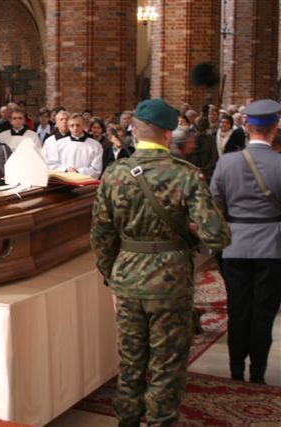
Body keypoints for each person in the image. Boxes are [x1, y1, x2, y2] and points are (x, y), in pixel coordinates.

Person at [91, 98, 231, 426]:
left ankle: (127, 420)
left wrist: (113, 278)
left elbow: (100, 235)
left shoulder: (114, 173)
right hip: (171, 282)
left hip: (127, 278)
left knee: (130, 363)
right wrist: (189, 229)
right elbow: (217, 236)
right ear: (168, 134)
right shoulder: (185, 174)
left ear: (135, 131)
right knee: (167, 365)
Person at [210, 99, 281, 385]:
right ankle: (258, 371)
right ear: (274, 128)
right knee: (264, 313)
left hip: (234, 245)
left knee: (237, 310)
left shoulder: (227, 162)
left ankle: (236, 368)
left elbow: (215, 204)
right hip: (272, 247)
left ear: (247, 127)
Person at [42, 112, 103, 178]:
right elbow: (52, 164)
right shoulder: (59, 144)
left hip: (84, 181)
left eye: (78, 125)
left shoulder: (95, 145)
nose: (75, 128)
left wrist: (78, 172)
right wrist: (66, 169)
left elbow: (96, 169)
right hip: (64, 180)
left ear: (83, 125)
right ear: (68, 126)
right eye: (72, 125)